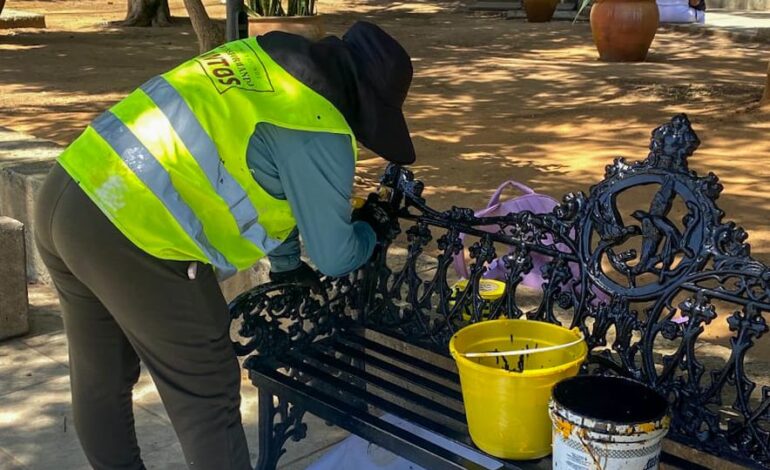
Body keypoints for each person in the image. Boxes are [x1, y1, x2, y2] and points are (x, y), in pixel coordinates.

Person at [34, 21, 415, 470]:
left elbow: (265, 177)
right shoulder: (319, 124)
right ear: (368, 105)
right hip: (134, 230)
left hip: (69, 191)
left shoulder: (260, 64)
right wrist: (370, 225)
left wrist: (286, 262)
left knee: (100, 378)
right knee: (207, 393)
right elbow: (335, 255)